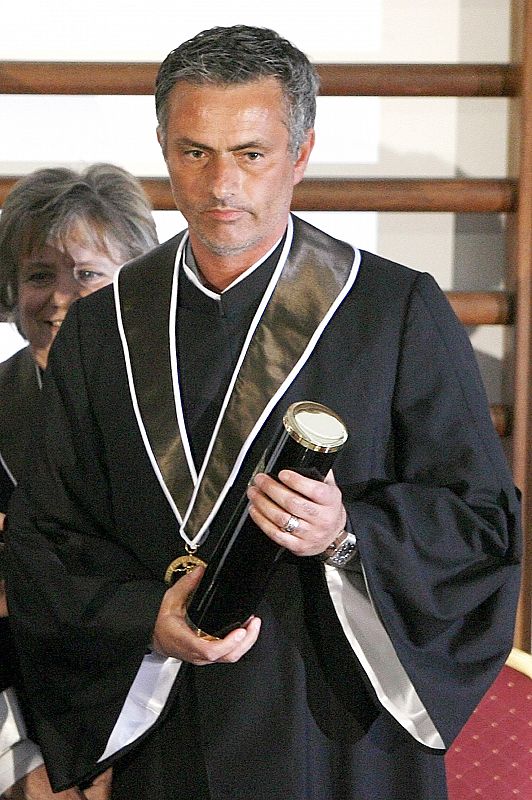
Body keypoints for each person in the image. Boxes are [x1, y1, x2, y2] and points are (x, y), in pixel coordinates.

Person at [4, 26, 521, 800]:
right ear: (162, 145)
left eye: (250, 153)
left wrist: (346, 535)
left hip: (342, 725)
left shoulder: (393, 311)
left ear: (301, 153)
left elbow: (481, 523)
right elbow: (48, 542)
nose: (220, 186)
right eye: (194, 151)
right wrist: (149, 617)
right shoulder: (102, 327)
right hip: (170, 718)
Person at [0, 164, 158, 799]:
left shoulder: (183, 412)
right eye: (40, 275)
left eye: (88, 274)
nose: (61, 299)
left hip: (162, 708)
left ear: (136, 283)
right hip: (22, 719)